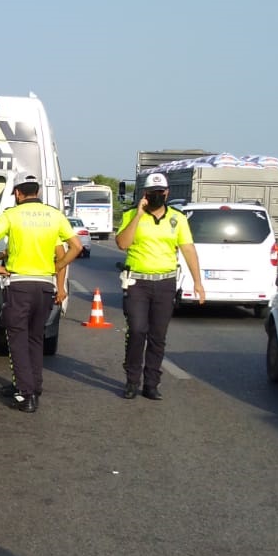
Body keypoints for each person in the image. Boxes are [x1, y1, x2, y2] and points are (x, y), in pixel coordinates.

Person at [0, 176, 83, 413]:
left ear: (17, 193)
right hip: (44, 287)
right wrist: (57, 268)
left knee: (17, 340)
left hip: (19, 286)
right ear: (37, 191)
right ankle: (33, 385)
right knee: (35, 339)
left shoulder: (11, 215)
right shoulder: (54, 215)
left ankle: (26, 394)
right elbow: (75, 247)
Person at [114, 171, 205, 399]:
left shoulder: (178, 219)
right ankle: (132, 381)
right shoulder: (130, 216)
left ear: (167, 193)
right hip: (138, 282)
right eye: (152, 193)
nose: (156, 196)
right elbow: (122, 244)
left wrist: (198, 282)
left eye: (160, 193)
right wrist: (137, 215)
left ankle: (151, 383)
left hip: (165, 283)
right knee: (137, 330)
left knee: (157, 335)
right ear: (145, 194)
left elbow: (188, 250)